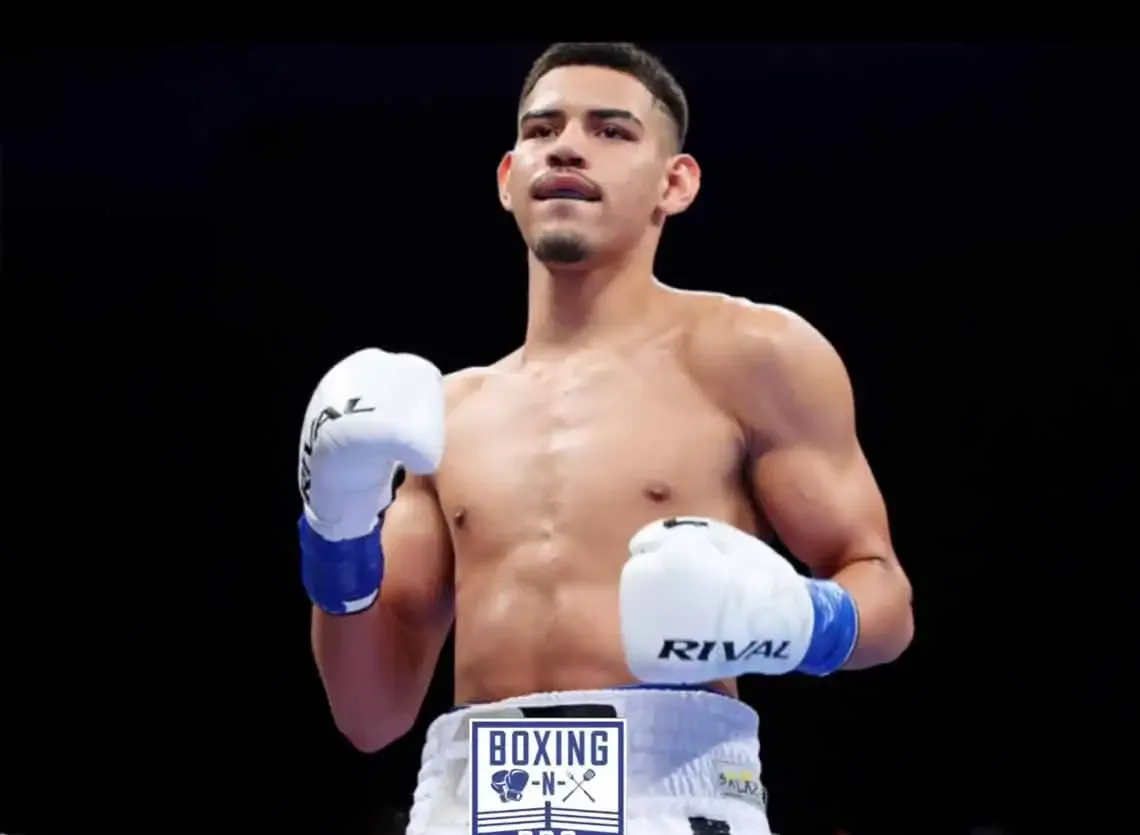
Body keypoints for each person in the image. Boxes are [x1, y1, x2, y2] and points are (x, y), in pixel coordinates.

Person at [297, 42, 914, 835]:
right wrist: (335, 529)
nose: (567, 146)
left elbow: (886, 598)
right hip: (464, 802)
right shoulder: (446, 414)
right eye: (542, 129)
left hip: (674, 793)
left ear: (674, 183)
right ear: (507, 178)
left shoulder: (751, 355)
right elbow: (369, 712)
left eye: (611, 130)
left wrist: (798, 616)